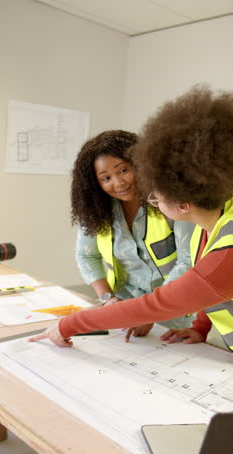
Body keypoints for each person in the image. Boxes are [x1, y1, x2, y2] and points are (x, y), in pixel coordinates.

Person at [29, 85, 233, 352]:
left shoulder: (225, 253)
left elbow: (167, 300)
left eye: (156, 196)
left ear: (183, 204)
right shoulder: (210, 226)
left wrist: (69, 325)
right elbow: (212, 292)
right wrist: (199, 328)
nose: (151, 197)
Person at [71, 129, 194, 338]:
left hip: (180, 316)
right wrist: (108, 299)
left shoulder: (171, 201)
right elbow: (86, 256)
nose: (118, 183)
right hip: (125, 316)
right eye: (106, 178)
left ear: (140, 164)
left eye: (123, 170)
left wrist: (148, 312)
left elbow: (188, 261)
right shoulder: (96, 210)